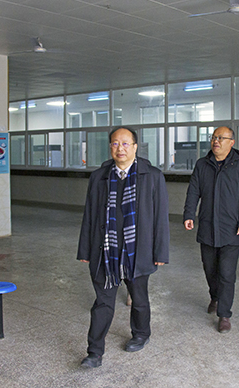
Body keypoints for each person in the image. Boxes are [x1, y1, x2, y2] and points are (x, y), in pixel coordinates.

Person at [77, 127, 170, 368]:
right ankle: (94, 352)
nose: (120, 148)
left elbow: (160, 217)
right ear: (110, 147)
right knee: (102, 302)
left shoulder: (152, 176)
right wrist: (85, 249)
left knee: (139, 298)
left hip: (137, 251)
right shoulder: (99, 177)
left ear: (135, 147)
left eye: (126, 143)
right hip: (105, 252)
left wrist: (160, 251)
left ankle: (141, 333)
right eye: (115, 143)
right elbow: (89, 214)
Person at [183, 126, 239, 333]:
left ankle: (224, 314)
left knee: (227, 272)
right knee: (210, 269)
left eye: (221, 138)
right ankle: (215, 297)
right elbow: (193, 191)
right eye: (214, 137)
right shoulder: (202, 164)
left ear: (231, 142)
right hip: (207, 226)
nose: (216, 141)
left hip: (231, 229)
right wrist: (189, 214)